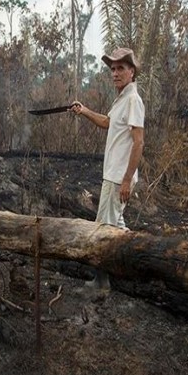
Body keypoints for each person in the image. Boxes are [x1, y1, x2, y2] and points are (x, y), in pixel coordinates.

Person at [71, 47, 145, 289]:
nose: (115, 73)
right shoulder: (122, 98)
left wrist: (125, 180)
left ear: (132, 72)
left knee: (103, 228)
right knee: (116, 225)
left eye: (121, 68)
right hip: (113, 175)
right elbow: (107, 122)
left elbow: (139, 142)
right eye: (112, 69)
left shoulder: (133, 100)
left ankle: (102, 282)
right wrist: (84, 111)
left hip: (117, 177)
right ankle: (142, 258)